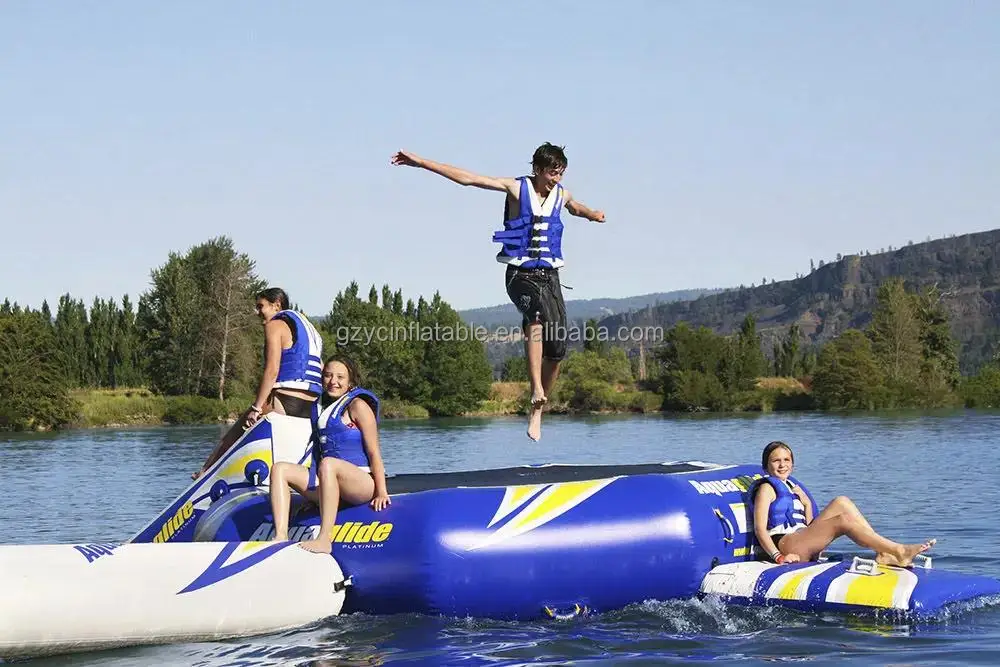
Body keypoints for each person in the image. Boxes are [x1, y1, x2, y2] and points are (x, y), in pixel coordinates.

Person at [391, 144, 605, 441]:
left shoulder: (561, 194)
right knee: (535, 316)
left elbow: (575, 207)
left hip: (550, 277)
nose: (555, 179)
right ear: (538, 169)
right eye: (551, 173)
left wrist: (592, 214)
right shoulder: (516, 188)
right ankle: (536, 389)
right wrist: (421, 163)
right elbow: (469, 179)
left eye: (560, 174)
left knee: (557, 351)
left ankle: (538, 410)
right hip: (519, 274)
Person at [193, 287, 324, 480]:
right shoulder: (312, 333)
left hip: (285, 399)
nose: (257, 312)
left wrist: (256, 408)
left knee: (234, 434)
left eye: (260, 306)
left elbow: (272, 371)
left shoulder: (275, 325)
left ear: (276, 305)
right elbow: (320, 367)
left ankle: (205, 474)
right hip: (311, 407)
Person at [268, 355, 391, 554]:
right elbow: (317, 453)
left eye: (340, 377)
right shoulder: (318, 408)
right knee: (280, 469)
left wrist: (382, 492)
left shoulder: (358, 406)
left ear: (350, 382)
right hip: (328, 481)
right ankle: (281, 535)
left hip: (360, 485)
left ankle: (325, 539)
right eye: (328, 375)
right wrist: (312, 495)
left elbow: (374, 452)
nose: (333, 381)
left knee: (328, 464)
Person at [752, 440, 936, 568]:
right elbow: (760, 529)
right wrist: (778, 557)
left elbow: (808, 527)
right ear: (766, 466)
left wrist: (806, 504)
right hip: (786, 544)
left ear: (792, 464)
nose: (782, 465)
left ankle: (883, 552)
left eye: (786, 460)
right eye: (776, 460)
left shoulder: (794, 488)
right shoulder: (767, 489)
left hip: (801, 541)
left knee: (842, 501)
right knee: (842, 520)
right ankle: (898, 550)